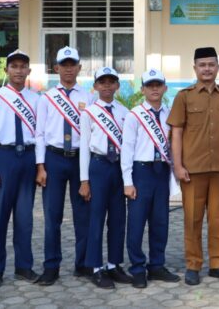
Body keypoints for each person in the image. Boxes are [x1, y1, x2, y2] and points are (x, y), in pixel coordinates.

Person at [168, 47, 219, 286]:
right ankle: (193, 264)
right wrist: (177, 165)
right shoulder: (184, 96)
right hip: (193, 169)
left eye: (211, 64)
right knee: (192, 219)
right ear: (195, 68)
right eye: (202, 65)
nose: (207, 69)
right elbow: (176, 133)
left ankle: (218, 264)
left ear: (218, 67)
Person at [34, 47, 94, 285]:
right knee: (52, 216)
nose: (68, 69)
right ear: (56, 68)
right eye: (64, 64)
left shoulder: (89, 97)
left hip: (80, 158)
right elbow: (39, 134)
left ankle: (83, 264)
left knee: (83, 215)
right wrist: (40, 166)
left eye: (73, 64)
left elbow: (91, 134)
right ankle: (51, 266)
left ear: (79, 67)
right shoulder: (47, 98)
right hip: (54, 159)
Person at [0, 49, 40, 289]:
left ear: (28, 70)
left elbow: (42, 135)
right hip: (4, 159)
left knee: (25, 218)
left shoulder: (37, 99)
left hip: (28, 158)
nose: (18, 70)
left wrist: (40, 166)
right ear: (6, 70)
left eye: (22, 66)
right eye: (13, 66)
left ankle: (24, 266)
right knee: (0, 218)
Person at [121, 68, 180, 288]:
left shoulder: (170, 113)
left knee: (160, 222)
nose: (154, 89)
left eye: (158, 85)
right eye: (150, 86)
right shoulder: (134, 115)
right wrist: (127, 182)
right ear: (143, 89)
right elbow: (126, 150)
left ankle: (156, 266)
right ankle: (137, 268)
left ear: (164, 88)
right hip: (141, 172)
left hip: (161, 171)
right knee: (136, 223)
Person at [79, 67, 133, 289]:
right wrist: (84, 180)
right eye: (102, 82)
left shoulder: (124, 111)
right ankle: (95, 267)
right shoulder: (89, 112)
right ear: (95, 86)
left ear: (117, 85)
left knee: (118, 219)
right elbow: (83, 147)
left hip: (118, 168)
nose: (107, 86)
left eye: (111, 82)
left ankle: (113, 265)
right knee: (96, 219)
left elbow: (128, 145)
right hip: (98, 167)